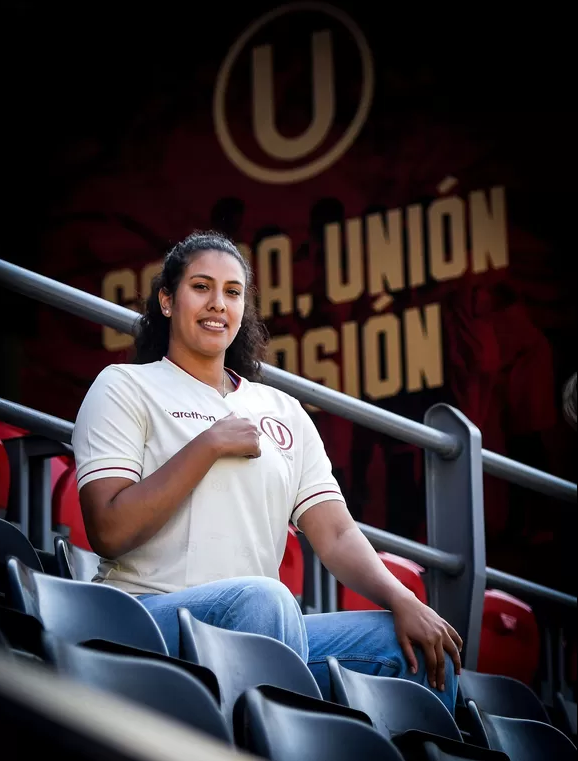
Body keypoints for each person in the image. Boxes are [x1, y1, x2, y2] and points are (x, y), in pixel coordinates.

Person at [71, 230, 462, 712]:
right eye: (201, 287)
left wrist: (404, 600)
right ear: (167, 301)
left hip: (263, 627)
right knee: (267, 600)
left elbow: (336, 534)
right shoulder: (126, 386)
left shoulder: (283, 409)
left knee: (412, 646)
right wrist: (208, 445)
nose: (218, 303)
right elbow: (108, 529)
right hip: (147, 617)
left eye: (232, 292)